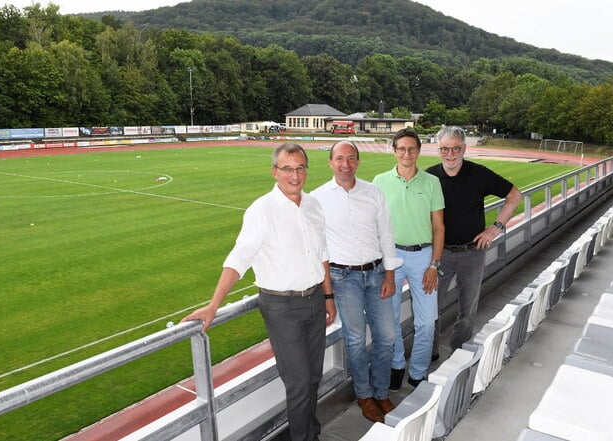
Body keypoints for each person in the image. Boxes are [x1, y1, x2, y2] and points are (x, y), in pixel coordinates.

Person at [182, 142, 336, 441]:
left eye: (300, 168)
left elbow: (322, 254)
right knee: (300, 382)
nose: (295, 175)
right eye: (287, 169)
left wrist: (328, 297)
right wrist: (214, 305)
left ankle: (312, 432)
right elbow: (238, 261)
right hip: (282, 307)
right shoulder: (261, 211)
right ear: (274, 172)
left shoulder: (313, 205)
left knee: (313, 377)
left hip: (316, 300)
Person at [312, 140, 402, 423]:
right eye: (339, 158)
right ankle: (364, 395)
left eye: (351, 158)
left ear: (358, 162)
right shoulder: (317, 199)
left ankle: (381, 391)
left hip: (377, 275)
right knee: (355, 339)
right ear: (330, 162)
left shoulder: (373, 192)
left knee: (387, 337)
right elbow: (318, 249)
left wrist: (390, 274)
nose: (345, 164)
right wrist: (327, 294)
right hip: (343, 278)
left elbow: (387, 235)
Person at [426, 126, 522, 352]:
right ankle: (429, 352)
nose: (450, 154)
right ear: (438, 149)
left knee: (467, 311)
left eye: (455, 148)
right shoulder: (429, 177)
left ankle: (459, 352)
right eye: (445, 149)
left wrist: (495, 228)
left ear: (464, 149)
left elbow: (514, 195)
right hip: (438, 255)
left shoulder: (478, 174)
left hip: (471, 254)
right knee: (430, 309)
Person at [373, 128, 445, 391]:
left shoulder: (431, 182)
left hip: (423, 256)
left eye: (411, 149)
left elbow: (439, 227)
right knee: (389, 319)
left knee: (426, 321)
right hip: (390, 258)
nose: (406, 153)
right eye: (401, 148)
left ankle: (418, 371)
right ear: (394, 151)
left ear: (418, 151)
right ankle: (396, 367)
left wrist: (434, 265)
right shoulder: (379, 181)